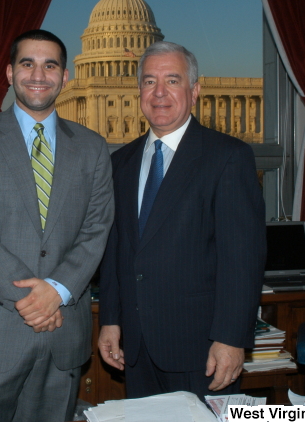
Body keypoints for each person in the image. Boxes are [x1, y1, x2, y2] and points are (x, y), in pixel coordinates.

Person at [0, 29, 114, 422]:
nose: (39, 74)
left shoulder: (91, 147)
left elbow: (97, 228)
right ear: (9, 72)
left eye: (50, 65)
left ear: (65, 76)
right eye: (28, 63)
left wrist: (56, 292)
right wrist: (34, 300)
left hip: (62, 334)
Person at [98, 41, 266, 400]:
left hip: (202, 348)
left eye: (172, 80)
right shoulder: (120, 163)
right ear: (139, 91)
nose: (159, 93)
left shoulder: (228, 157)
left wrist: (231, 339)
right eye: (149, 82)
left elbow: (242, 261)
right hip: (136, 346)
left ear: (194, 91)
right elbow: (116, 251)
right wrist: (110, 320)